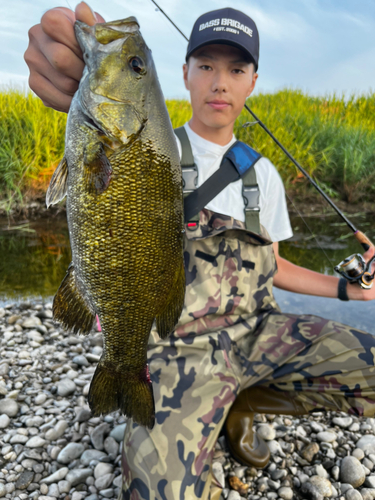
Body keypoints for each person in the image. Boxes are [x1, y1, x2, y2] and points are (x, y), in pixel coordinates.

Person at [25, 3, 375, 500]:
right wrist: (75, 79)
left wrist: (349, 290)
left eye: (236, 69)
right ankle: (187, 398)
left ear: (253, 80)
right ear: (184, 72)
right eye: (206, 65)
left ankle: (243, 402)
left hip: (261, 333)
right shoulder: (159, 144)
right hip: (180, 348)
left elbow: (274, 264)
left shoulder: (263, 176)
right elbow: (91, 120)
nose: (220, 82)